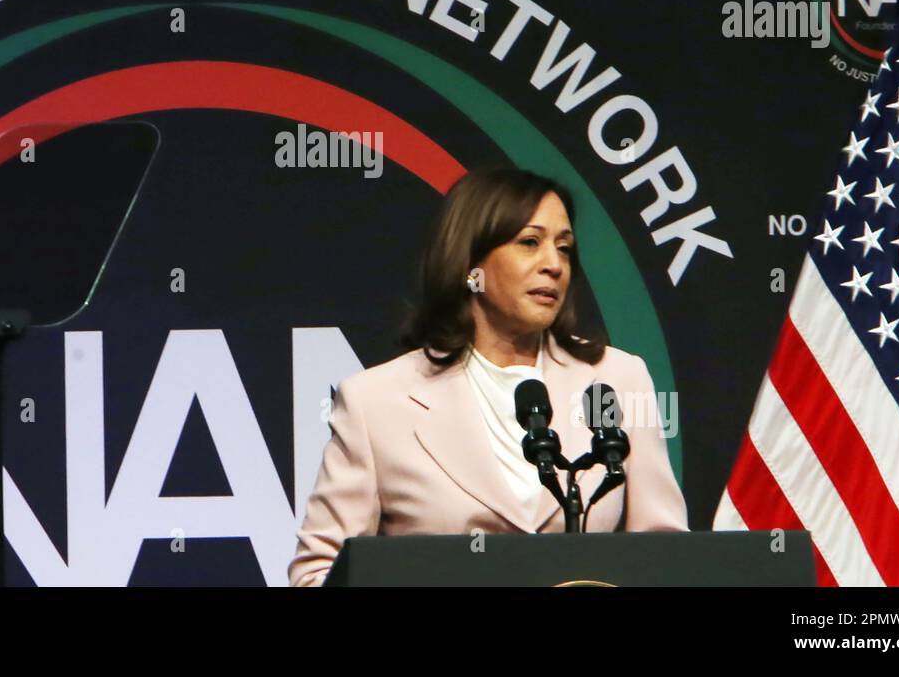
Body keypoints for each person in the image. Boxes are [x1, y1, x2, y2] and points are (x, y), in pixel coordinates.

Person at [289, 167, 688, 586]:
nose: (554, 265)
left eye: (565, 248)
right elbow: (316, 574)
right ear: (469, 263)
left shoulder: (618, 381)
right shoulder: (376, 402)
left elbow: (662, 555)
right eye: (530, 243)